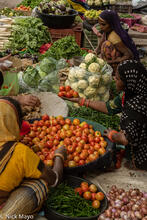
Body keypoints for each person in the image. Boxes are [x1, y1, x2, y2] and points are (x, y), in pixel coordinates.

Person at [63, 60, 147, 170]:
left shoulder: (135, 106)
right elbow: (110, 107)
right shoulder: (130, 94)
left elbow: (125, 139)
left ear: (128, 81)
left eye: (118, 78)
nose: (114, 79)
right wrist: (81, 101)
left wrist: (112, 134)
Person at [0, 97, 67, 218]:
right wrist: (59, 156)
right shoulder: (20, 152)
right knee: (39, 183)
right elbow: (54, 180)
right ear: (16, 123)